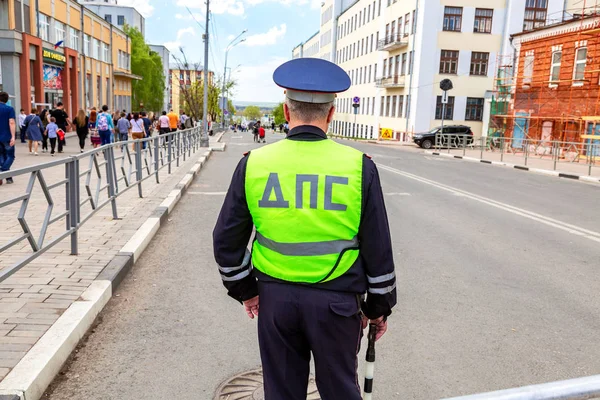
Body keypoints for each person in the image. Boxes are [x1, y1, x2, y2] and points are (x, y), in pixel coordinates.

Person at [213, 58, 397, 400]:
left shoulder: (254, 164)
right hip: (338, 306)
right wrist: (378, 308)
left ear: (286, 111)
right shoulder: (359, 167)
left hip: (275, 302)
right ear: (331, 114)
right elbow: (378, 248)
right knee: (341, 391)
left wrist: (246, 290)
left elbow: (226, 240)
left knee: (281, 392)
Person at [0, 92, 16, 185]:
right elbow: (11, 122)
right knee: (10, 156)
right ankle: (3, 171)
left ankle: (7, 176)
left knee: (1, 155)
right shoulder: (9, 109)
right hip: (6, 136)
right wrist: (13, 136)